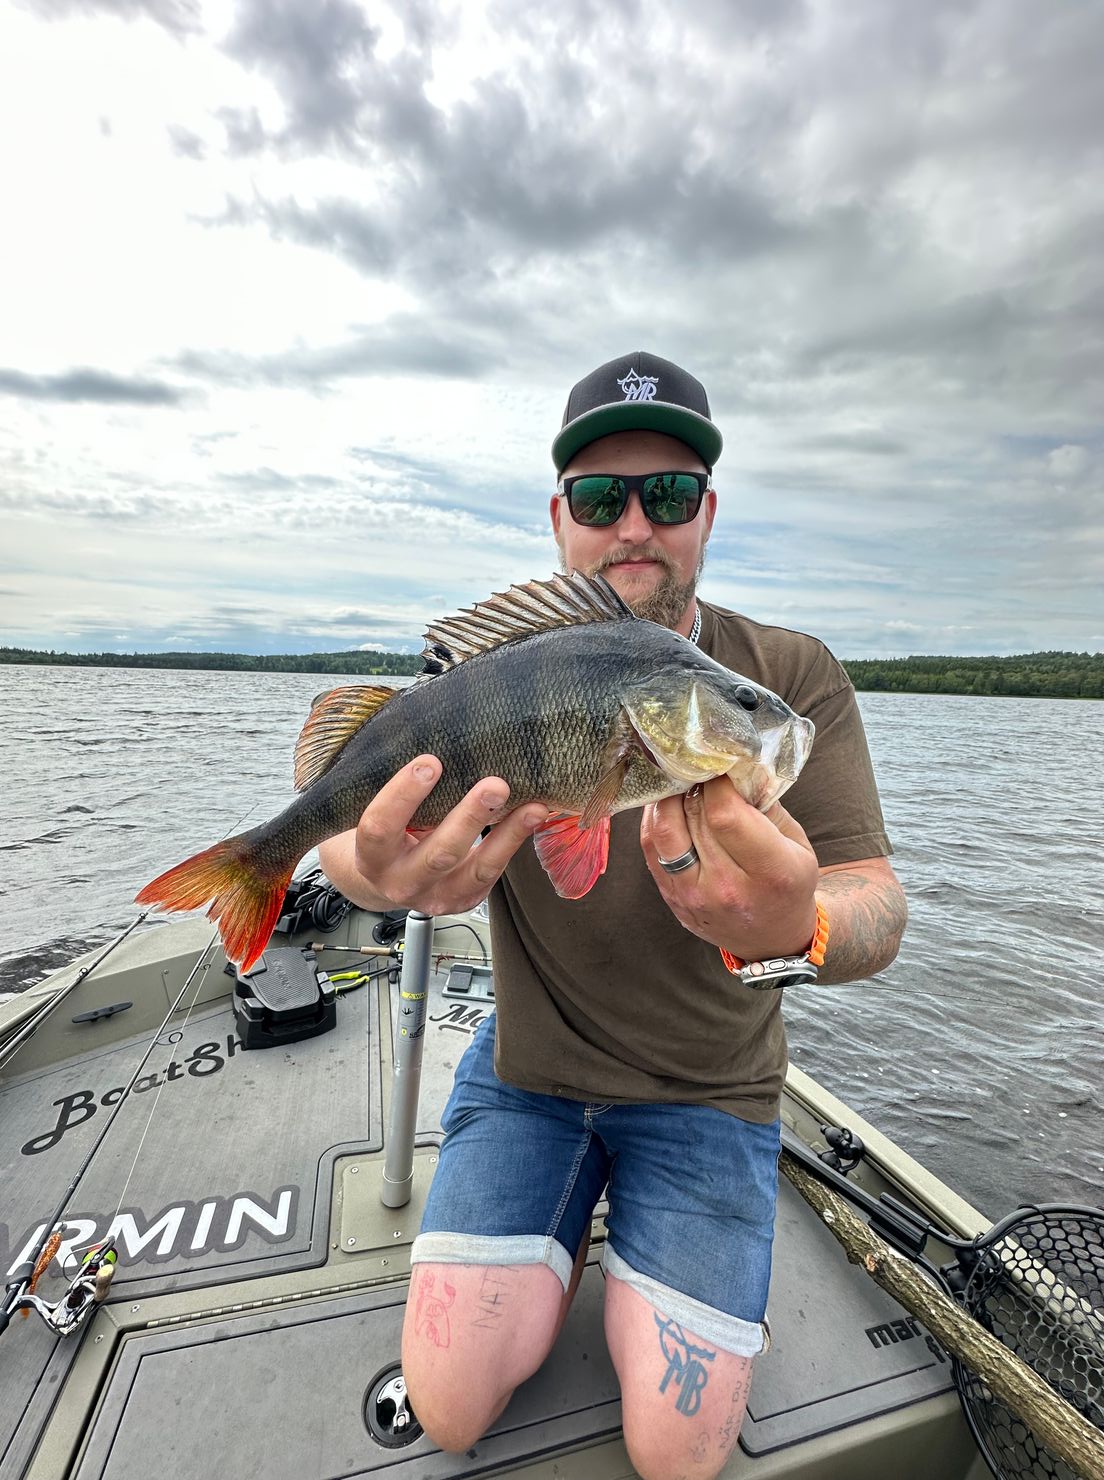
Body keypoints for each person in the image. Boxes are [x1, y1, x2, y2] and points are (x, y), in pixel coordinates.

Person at [318, 352, 907, 1480]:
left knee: (678, 1451)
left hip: (710, 1093)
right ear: (560, 520)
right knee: (448, 1407)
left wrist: (799, 926)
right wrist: (379, 877)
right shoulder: (491, 668)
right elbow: (352, 843)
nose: (635, 524)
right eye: (600, 498)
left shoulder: (789, 677)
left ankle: (604, 1240)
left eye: (669, 494)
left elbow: (877, 901)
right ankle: (560, 1231)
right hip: (530, 1070)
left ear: (707, 514)